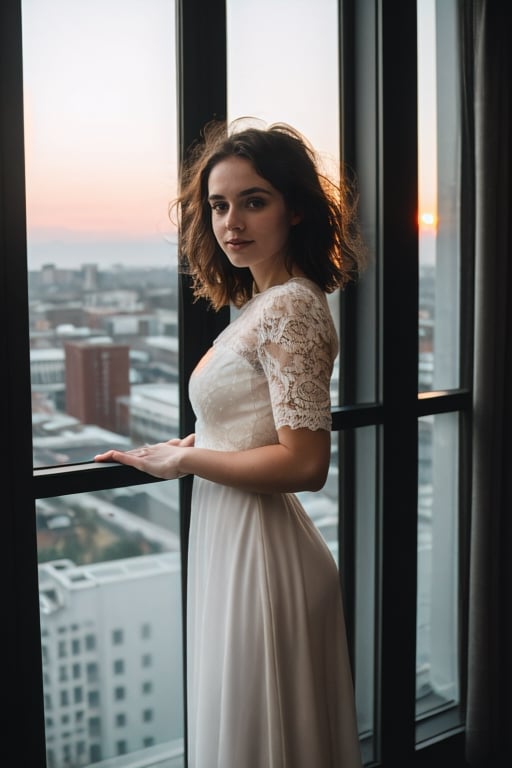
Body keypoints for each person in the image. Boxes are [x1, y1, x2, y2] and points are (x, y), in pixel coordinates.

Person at [95, 119, 365, 768]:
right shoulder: (260, 305)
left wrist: (185, 458)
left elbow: (306, 463)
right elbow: (256, 424)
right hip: (235, 539)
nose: (231, 222)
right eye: (218, 205)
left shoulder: (291, 306)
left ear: (295, 208)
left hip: (263, 557)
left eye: (254, 200)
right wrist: (203, 438)